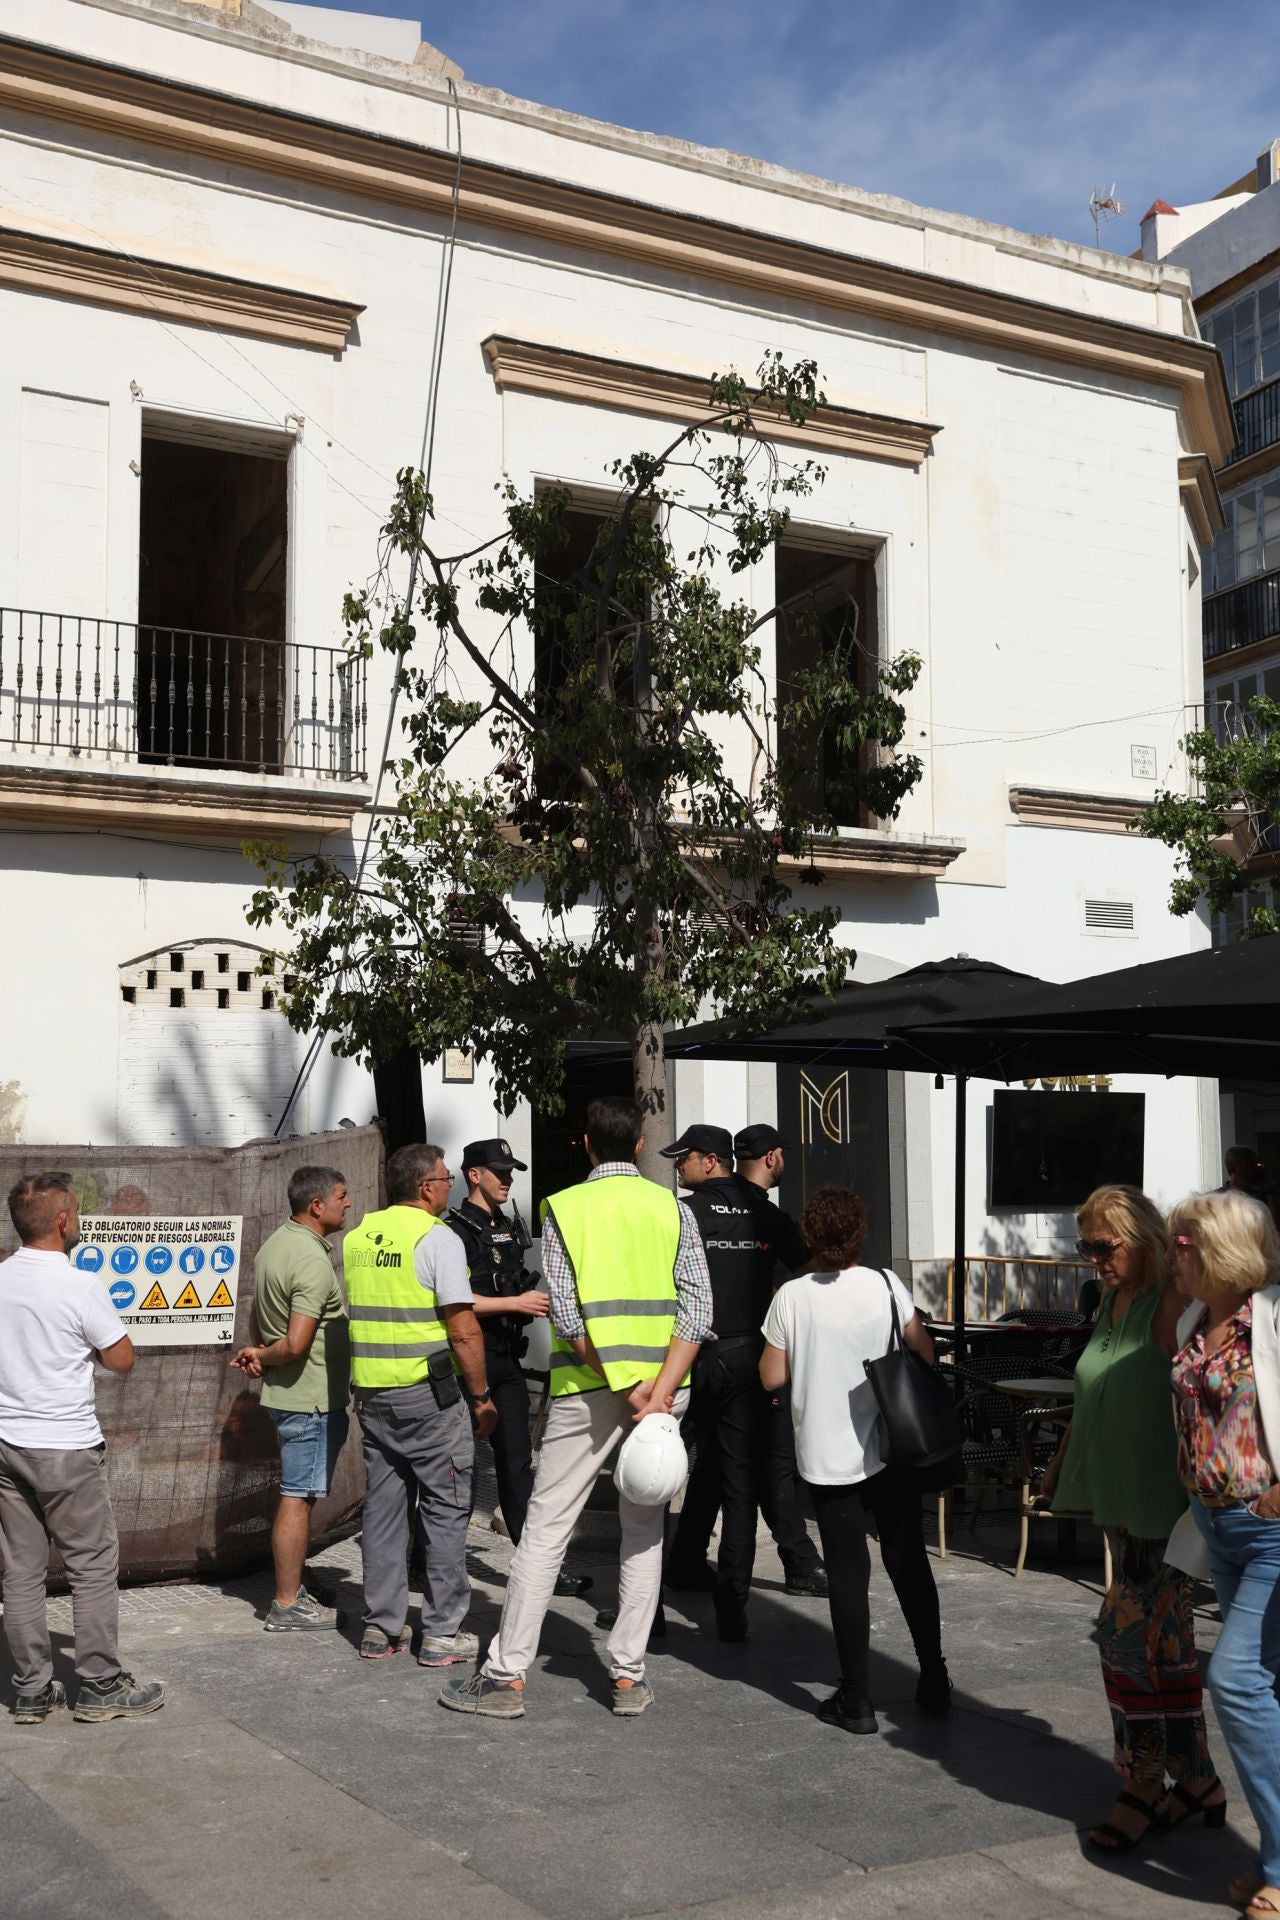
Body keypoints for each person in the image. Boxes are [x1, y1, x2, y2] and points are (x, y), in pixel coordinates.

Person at [439, 1095, 711, 1721]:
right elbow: (698, 1309)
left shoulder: (562, 1206)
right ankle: (628, 1678)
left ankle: (506, 1676)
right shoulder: (671, 1207)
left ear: (585, 1144)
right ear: (640, 1146)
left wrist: (626, 1387)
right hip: (664, 1393)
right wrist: (660, 1391)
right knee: (644, 1531)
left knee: (546, 1527)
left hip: (590, 1391)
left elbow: (564, 1311)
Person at [1042, 1183, 1220, 1851]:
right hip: (1118, 1497)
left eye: (1103, 1246)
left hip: (1164, 1508)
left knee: (1120, 1641)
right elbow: (1097, 1382)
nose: (1093, 1259)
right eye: (1084, 1246)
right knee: (1166, 1647)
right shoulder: (1110, 1300)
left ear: (1141, 1241)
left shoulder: (1167, 1301)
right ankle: (1197, 1778)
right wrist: (1062, 1460)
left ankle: (1142, 1783)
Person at [759, 1185, 947, 1735]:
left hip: (827, 1453)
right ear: (859, 1233)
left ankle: (858, 1699)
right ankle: (933, 1676)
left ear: (811, 1235)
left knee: (847, 1574)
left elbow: (772, 1375)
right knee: (908, 1561)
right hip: (892, 1447)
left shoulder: (792, 1297)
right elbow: (923, 1349)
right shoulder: (887, 1285)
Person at [0, 1172, 164, 1724]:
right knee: (91, 1566)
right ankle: (99, 1684)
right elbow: (121, 1357)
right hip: (65, 1445)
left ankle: (30, 1690)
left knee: (20, 1571)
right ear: (63, 1221)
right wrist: (85, 1353)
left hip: (7, 1444)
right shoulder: (79, 1284)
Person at [1168, 1188, 1280, 1918]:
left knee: (1236, 1684)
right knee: (1265, 1691)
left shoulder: (1272, 1318)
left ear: (1218, 1249)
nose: (1173, 1252)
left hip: (1271, 1533)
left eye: (1182, 1241)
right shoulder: (1189, 1319)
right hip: (1217, 1529)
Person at [662, 1122, 818, 1639]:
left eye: (683, 1158)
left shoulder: (685, 1214)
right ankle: (731, 1603)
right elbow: (809, 1270)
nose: (677, 1166)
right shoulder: (765, 1214)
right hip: (749, 1359)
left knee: (655, 1477)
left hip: (691, 1357)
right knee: (736, 1485)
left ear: (710, 1161)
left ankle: (654, 1601)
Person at [343, 1143, 496, 1664]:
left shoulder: (359, 1237)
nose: (450, 1185)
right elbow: (463, 1329)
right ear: (427, 1187)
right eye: (446, 1178)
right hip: (429, 1397)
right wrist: (481, 1397)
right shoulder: (438, 1239)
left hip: (373, 1395)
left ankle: (380, 1628)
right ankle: (440, 1634)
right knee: (446, 1510)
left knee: (384, 1515)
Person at [447, 1138, 590, 1599]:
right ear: (474, 1175)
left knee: (517, 1467)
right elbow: (454, 1300)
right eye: (499, 1172)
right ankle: (430, 1560)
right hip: (470, 1359)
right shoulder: (453, 1232)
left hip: (507, 1357)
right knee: (456, 1468)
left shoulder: (508, 1226)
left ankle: (539, 1569)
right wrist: (514, 1301)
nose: (508, 1179)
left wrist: (522, 1304)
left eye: (511, 1172)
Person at [230, 1165, 352, 1632]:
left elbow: (262, 1321)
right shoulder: (310, 1260)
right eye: (342, 1196)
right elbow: (296, 1343)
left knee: (298, 1495)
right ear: (316, 1205)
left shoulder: (273, 1246)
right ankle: (286, 1603)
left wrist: (260, 1352)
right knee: (297, 1498)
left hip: (291, 1396)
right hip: (310, 1401)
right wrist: (264, 1353)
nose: (348, 1203)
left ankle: (293, 1583)